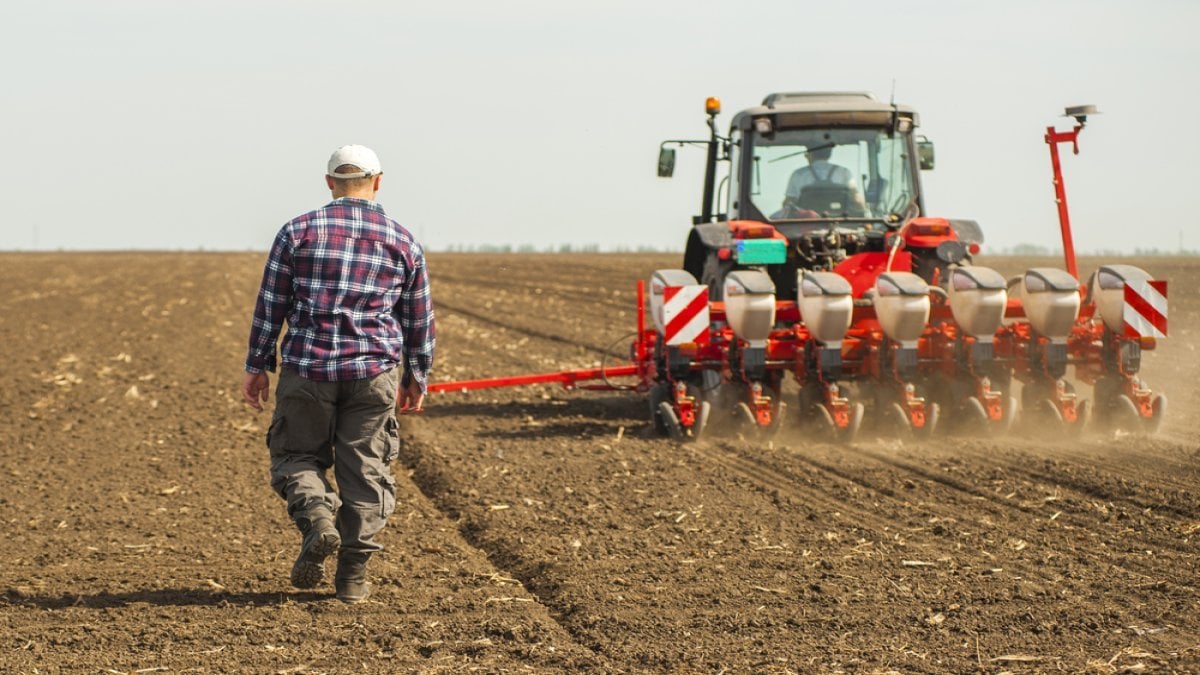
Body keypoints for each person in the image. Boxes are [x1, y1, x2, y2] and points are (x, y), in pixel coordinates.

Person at [241, 144, 435, 604]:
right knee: (366, 470)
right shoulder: (402, 239)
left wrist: (257, 365)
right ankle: (353, 578)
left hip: (308, 369)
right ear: (379, 181)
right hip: (373, 373)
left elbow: (272, 306)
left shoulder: (297, 232)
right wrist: (418, 375)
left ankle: (319, 522)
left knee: (296, 456)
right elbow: (419, 318)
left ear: (330, 183)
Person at [778, 144, 864, 216]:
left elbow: (788, 203)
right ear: (829, 154)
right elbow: (857, 200)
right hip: (840, 222)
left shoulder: (798, 174)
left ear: (810, 154)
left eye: (806, 155)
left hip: (806, 224)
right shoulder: (844, 172)